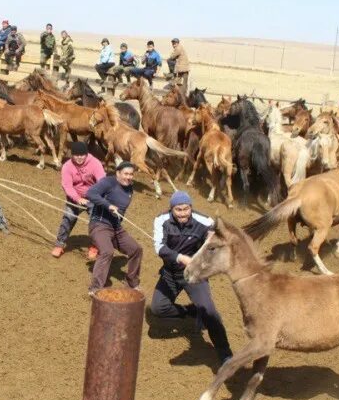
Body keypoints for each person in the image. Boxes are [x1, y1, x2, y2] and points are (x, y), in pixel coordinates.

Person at [150, 192, 234, 365]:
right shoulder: (161, 220)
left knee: (209, 312)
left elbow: (221, 236)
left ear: (191, 207)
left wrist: (214, 236)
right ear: (171, 209)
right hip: (171, 272)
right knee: (158, 308)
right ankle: (193, 312)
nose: (182, 213)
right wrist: (181, 258)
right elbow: (159, 248)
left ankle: (225, 353)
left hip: (195, 275)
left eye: (186, 209)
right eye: (178, 210)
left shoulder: (204, 221)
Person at [86, 161, 143, 297]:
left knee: (136, 249)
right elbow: (91, 193)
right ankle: (95, 289)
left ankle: (131, 283)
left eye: (131, 174)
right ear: (118, 173)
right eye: (125, 174)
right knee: (107, 251)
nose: (128, 177)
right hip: (99, 225)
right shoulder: (108, 182)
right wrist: (108, 205)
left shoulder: (130, 188)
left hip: (116, 227)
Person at [51, 141, 105, 259]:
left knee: (96, 222)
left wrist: (95, 196)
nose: (79, 158)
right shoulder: (67, 166)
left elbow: (102, 182)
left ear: (86, 154)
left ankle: (95, 246)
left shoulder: (95, 163)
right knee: (68, 218)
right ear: (72, 155)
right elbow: (67, 186)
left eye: (82, 155)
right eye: (76, 155)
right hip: (74, 197)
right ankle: (59, 244)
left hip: (93, 197)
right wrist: (77, 198)